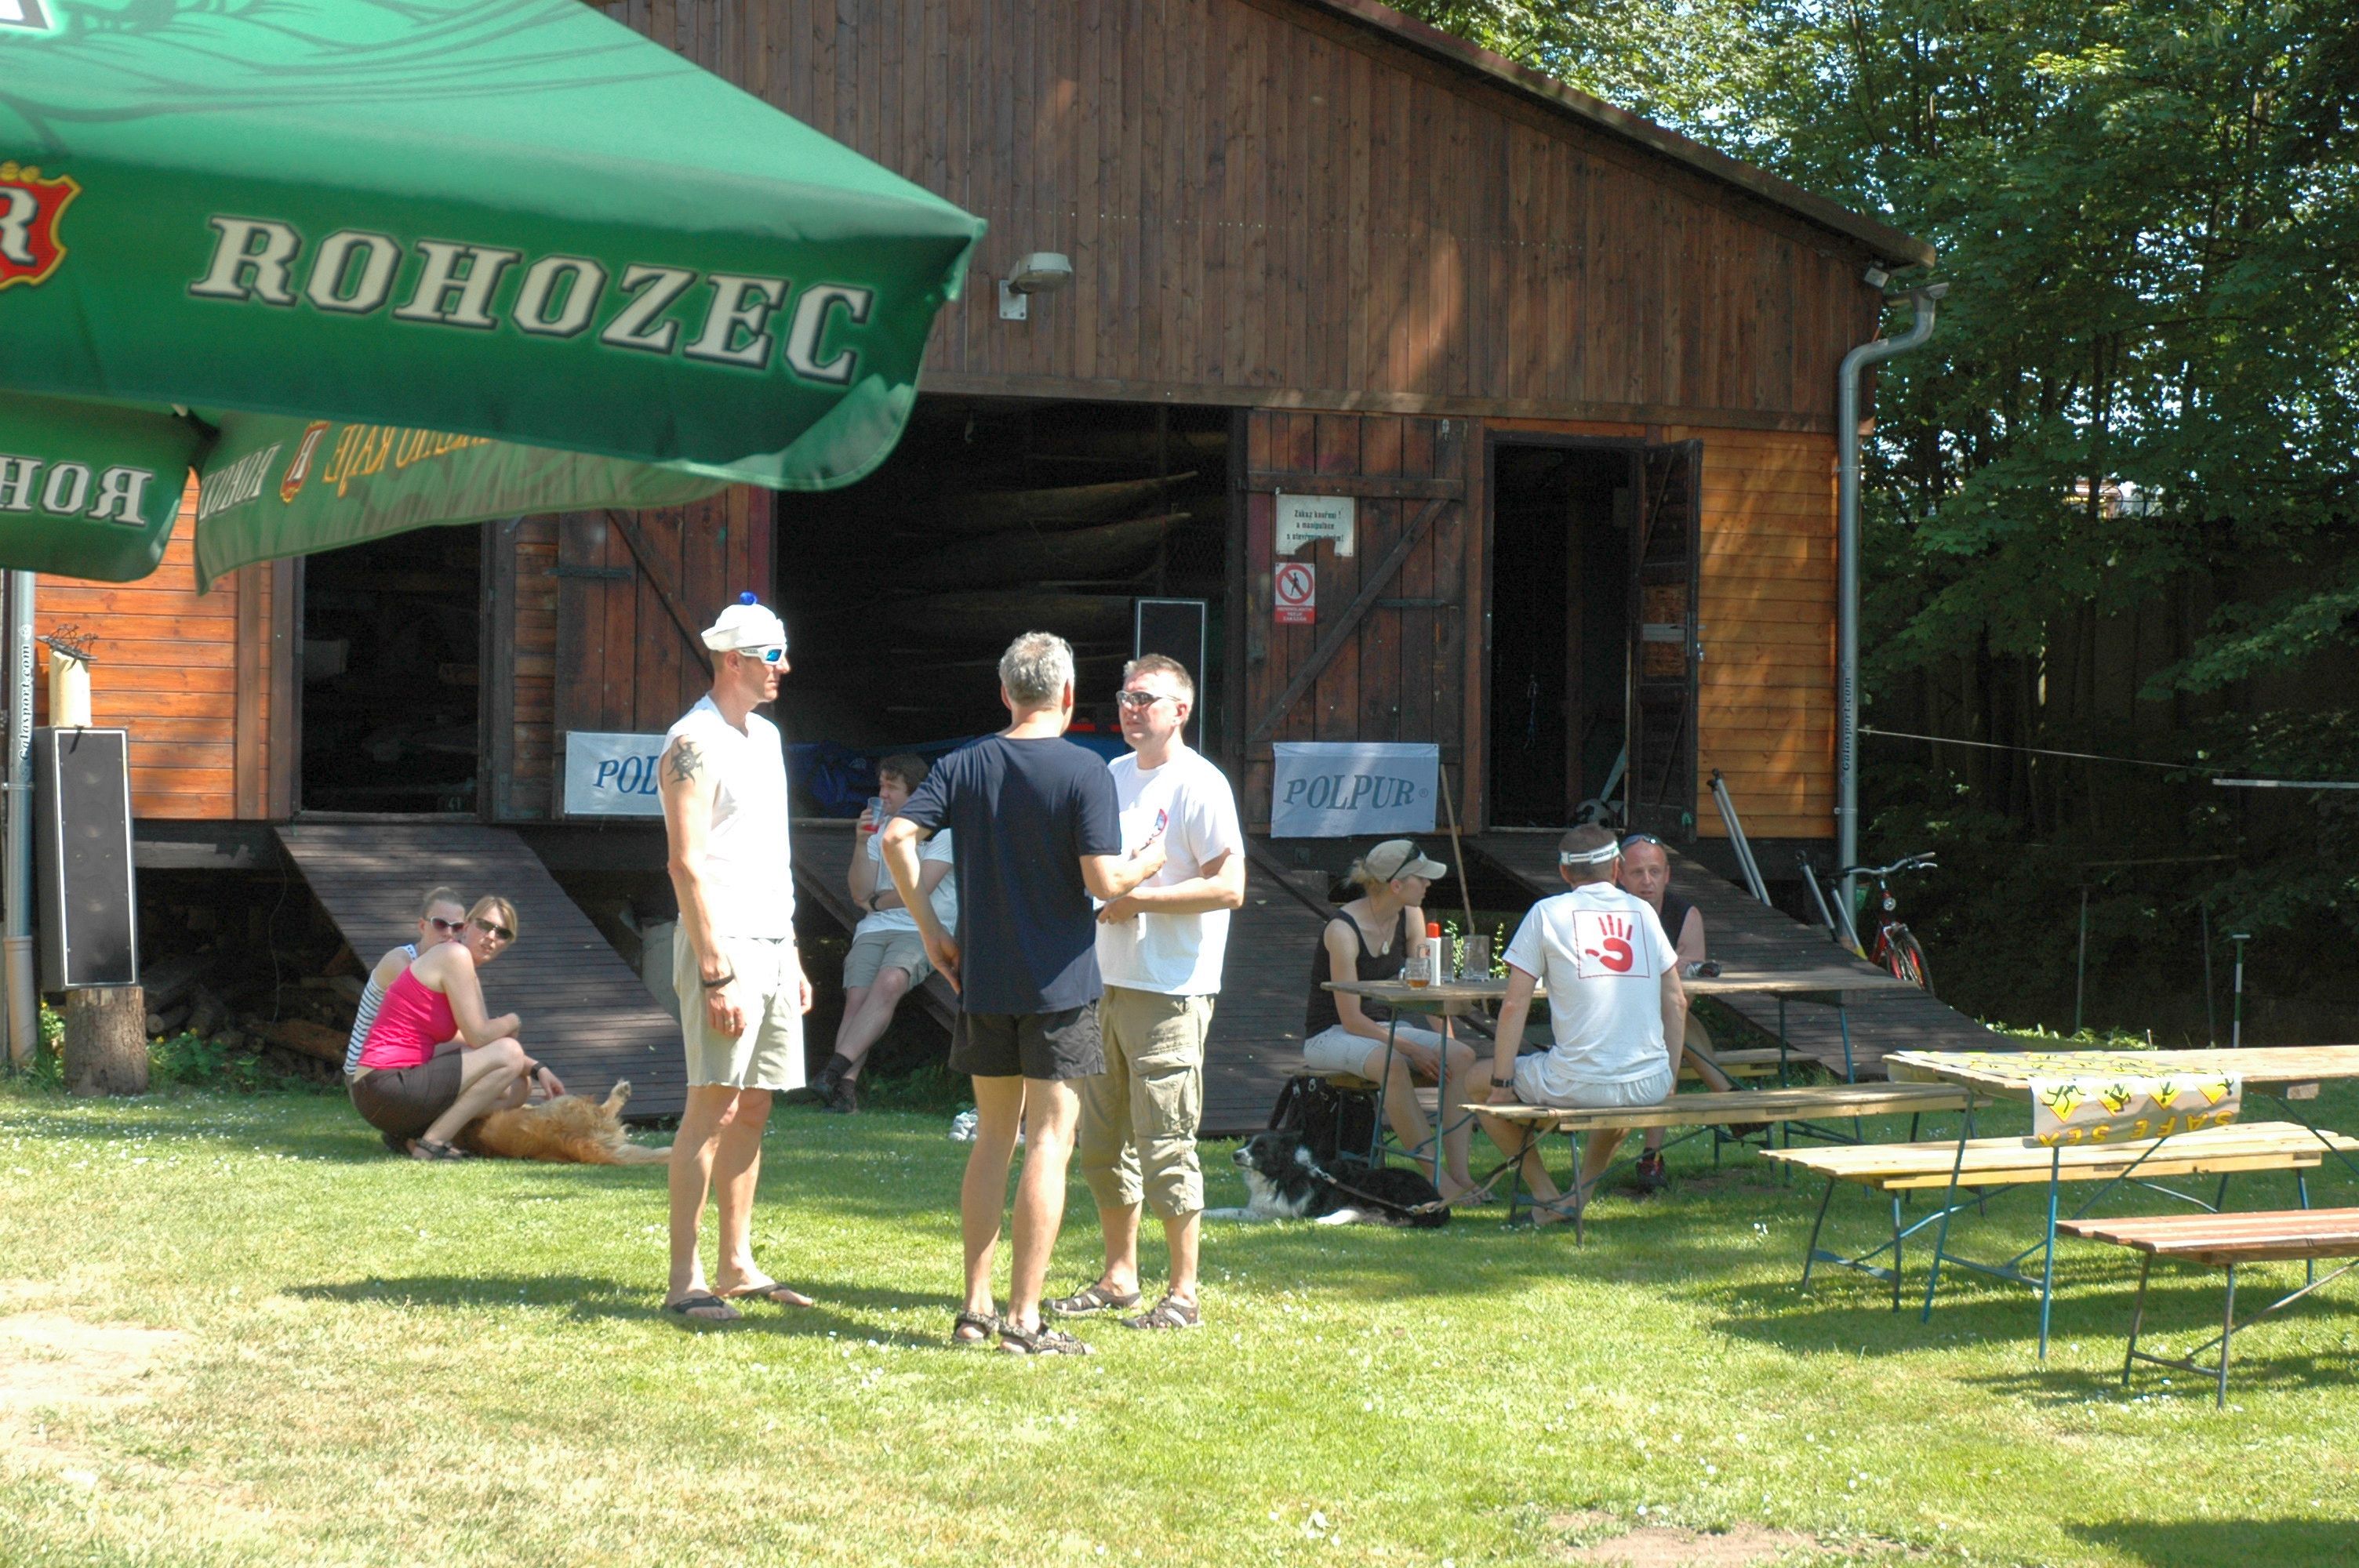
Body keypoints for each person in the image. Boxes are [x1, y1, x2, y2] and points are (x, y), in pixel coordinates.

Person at [881, 630, 1166, 1356]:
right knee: (1049, 1141)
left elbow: (895, 839)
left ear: (1006, 692)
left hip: (983, 980)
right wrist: (1148, 862)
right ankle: (1024, 1319)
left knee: (993, 1139)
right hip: (1060, 986)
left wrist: (930, 933)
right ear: (1068, 694)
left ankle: (975, 1309)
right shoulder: (1086, 770)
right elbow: (1104, 881)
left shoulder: (965, 763)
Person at [1053, 654, 1244, 1332]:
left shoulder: (1201, 784)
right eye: (1125, 698)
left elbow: (1230, 887)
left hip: (1170, 989)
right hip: (1101, 982)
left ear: (1180, 710)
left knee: (1166, 1143)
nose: (1131, 709)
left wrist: (1142, 901)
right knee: (1102, 1145)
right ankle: (1120, 1277)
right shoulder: (1109, 776)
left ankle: (1184, 1294)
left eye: (1146, 699)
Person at [656, 596, 813, 1324]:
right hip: (723, 946)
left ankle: (736, 1264)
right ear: (732, 661)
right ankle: (684, 1279)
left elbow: (770, 856)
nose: (784, 667)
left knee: (754, 1104)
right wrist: (715, 968)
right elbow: (685, 864)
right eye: (771, 655)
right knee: (712, 1106)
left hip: (773, 943)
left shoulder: (767, 737)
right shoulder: (691, 740)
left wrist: (794, 952)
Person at [1477, 826, 1683, 1219]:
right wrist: (1668, 1077)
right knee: (1616, 1092)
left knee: (1472, 1081)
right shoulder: (1643, 912)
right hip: (1649, 1082)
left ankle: (1548, 1195)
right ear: (1617, 868)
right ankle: (1577, 1197)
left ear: (1564, 872)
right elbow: (1677, 1001)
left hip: (1577, 1082)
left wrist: (1501, 1085)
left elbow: (1514, 1005)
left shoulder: (1546, 913)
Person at [1297, 840, 1489, 1203]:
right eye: (1422, 877)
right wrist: (1413, 1049)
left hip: (1383, 1030)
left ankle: (1461, 1175)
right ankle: (1436, 1179)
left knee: (1462, 1055)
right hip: (1330, 1034)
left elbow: (1426, 991)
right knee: (1394, 1063)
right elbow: (1351, 1019)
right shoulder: (1342, 930)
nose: (1429, 883)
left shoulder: (1411, 915)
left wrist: (1446, 1044)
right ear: (1396, 885)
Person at [799, 753, 956, 1114]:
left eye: (891, 787)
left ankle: (832, 1072)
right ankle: (844, 1093)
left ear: (916, 794)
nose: (882, 794)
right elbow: (859, 891)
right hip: (875, 928)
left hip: (924, 928)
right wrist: (860, 844)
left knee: (889, 982)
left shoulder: (946, 834)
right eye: (881, 785)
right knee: (856, 999)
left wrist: (877, 900)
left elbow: (918, 892)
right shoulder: (878, 831)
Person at [349, 895, 562, 1160]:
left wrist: (537, 1068)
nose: (491, 937)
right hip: (383, 1085)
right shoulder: (453, 955)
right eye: (485, 926)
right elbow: (479, 1036)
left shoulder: (464, 971)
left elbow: (477, 1043)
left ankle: (410, 1134)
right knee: (510, 1052)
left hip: (389, 1091)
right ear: (467, 926)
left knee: (520, 1087)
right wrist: (513, 1020)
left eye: (502, 933)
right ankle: (431, 1144)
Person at [1617, 832, 1752, 1190]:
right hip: (1613, 1021)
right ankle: (1728, 1098)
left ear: (1668, 875)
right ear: (1619, 875)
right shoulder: (1606, 914)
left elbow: (1687, 992)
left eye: (1654, 871)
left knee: (1672, 1026)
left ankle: (1652, 1157)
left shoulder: (1685, 914)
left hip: (1663, 1021)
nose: (1647, 881)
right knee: (1673, 1026)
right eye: (1637, 873)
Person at [344, 884, 470, 1152]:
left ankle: (411, 1134)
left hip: (399, 1065)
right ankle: (419, 1136)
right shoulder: (399, 961)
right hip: (367, 1077)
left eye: (457, 927)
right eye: (440, 924)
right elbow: (447, 1030)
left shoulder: (444, 968)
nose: (449, 933)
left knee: (493, 1067)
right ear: (422, 926)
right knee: (483, 1055)